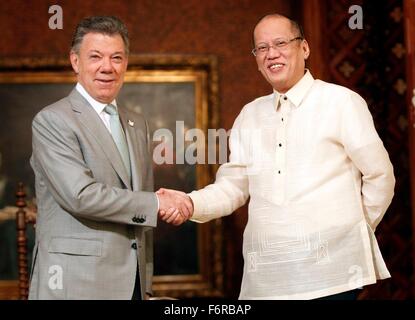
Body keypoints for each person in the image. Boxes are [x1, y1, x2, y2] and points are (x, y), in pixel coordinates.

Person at [158, 13, 395, 299]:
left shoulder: (341, 102)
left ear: (304, 48)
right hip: (267, 280)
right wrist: (189, 202)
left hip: (332, 276)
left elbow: (380, 175)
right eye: (262, 48)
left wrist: (353, 231)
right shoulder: (250, 114)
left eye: (281, 43)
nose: (272, 54)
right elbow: (233, 187)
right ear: (256, 58)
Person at [29, 16, 192, 300]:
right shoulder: (52, 120)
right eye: (95, 57)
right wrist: (157, 202)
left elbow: (138, 218)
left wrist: (145, 285)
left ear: (126, 64)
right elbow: (81, 195)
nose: (107, 67)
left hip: (131, 287)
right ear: (75, 62)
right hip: (74, 285)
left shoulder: (137, 123)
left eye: (116, 57)